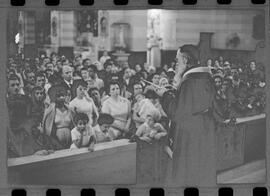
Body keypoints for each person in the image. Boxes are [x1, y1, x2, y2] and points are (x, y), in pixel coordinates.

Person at [158, 44, 221, 186]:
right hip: (205, 130)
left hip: (190, 134)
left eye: (177, 60)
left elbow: (177, 112)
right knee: (202, 171)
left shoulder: (189, 81)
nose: (175, 64)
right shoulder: (205, 77)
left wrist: (164, 95)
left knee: (187, 172)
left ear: (186, 61)